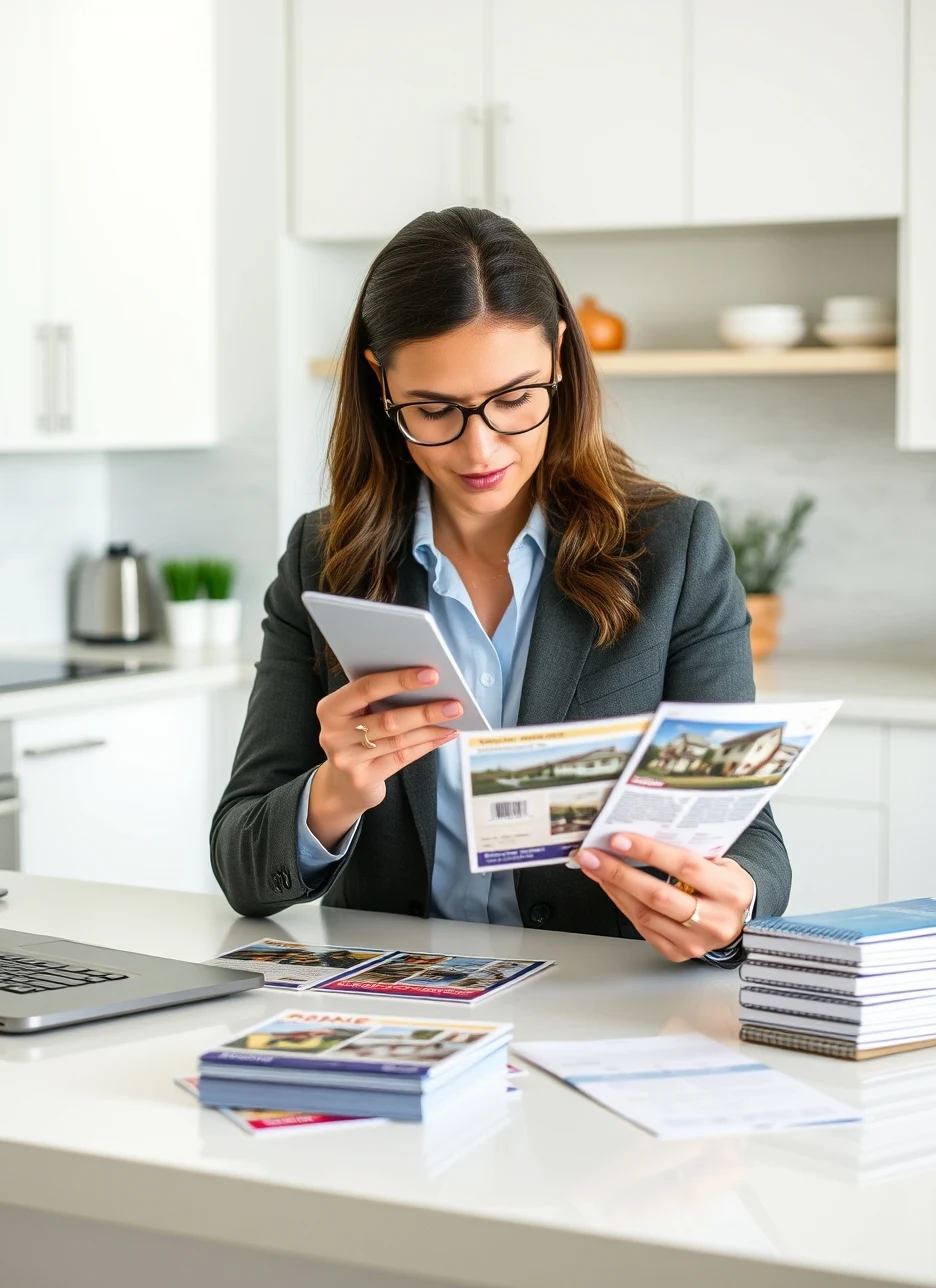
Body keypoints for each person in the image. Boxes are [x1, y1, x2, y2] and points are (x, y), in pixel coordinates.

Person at [212, 207, 789, 965]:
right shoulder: (323, 558)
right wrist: (333, 794)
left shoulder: (673, 548)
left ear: (558, 354)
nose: (480, 447)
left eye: (515, 398)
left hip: (598, 1001)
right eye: (434, 410)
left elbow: (751, 840)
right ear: (381, 383)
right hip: (399, 1004)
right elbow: (242, 867)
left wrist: (732, 900)